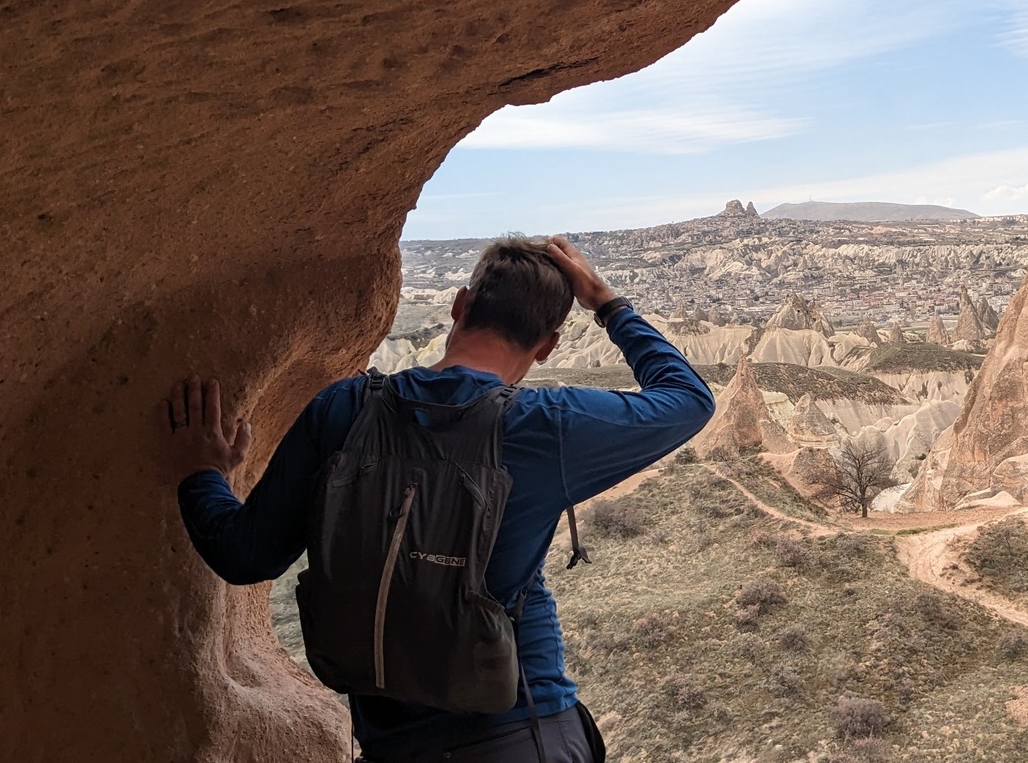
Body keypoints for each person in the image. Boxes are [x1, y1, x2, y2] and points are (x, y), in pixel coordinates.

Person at [165, 235, 715, 762]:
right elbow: (688, 399)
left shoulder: (343, 409)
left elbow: (244, 556)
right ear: (547, 347)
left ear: (459, 305)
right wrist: (608, 304)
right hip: (522, 734)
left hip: (393, 744)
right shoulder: (544, 426)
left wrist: (203, 472)